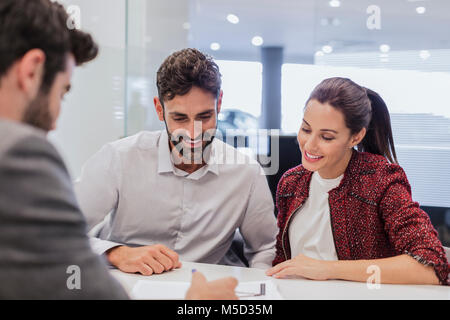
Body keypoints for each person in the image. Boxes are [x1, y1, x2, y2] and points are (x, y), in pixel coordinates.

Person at [0, 0, 237, 299]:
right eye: (62, 91)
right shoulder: (19, 155)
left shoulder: (243, 170)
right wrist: (194, 304)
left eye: (204, 116)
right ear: (32, 71)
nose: (56, 121)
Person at [74, 48, 278, 276]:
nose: (193, 133)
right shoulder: (119, 158)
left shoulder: (247, 174)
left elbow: (265, 249)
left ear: (219, 103)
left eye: (204, 116)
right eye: (180, 118)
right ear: (160, 109)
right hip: (128, 285)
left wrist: (260, 287)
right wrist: (117, 253)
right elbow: (60, 231)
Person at [266, 77, 450, 285]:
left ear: (355, 137)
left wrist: (327, 269)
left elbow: (433, 266)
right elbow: (283, 262)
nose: (309, 145)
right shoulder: (291, 182)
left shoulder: (380, 180)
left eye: (326, 137)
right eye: (306, 129)